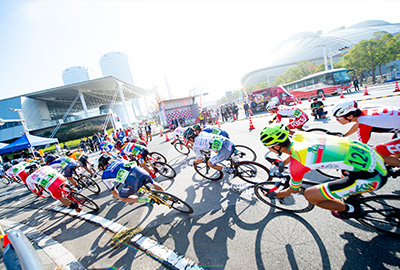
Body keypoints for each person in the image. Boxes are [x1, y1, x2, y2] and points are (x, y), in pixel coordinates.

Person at [259, 124, 388, 219]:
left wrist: (277, 194)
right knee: (342, 172)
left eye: (268, 147)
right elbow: (294, 150)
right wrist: (283, 162)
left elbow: (293, 190)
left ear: (276, 146)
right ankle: (355, 195)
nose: (269, 149)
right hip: (375, 159)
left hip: (373, 178)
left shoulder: (297, 164)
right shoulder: (300, 136)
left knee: (310, 195)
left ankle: (351, 209)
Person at [97, 154, 164, 204]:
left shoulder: (104, 176)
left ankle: (147, 200)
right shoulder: (118, 160)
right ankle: (166, 195)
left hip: (131, 181)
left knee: (121, 197)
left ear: (101, 167)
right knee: (153, 183)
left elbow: (114, 192)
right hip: (140, 171)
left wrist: (117, 195)